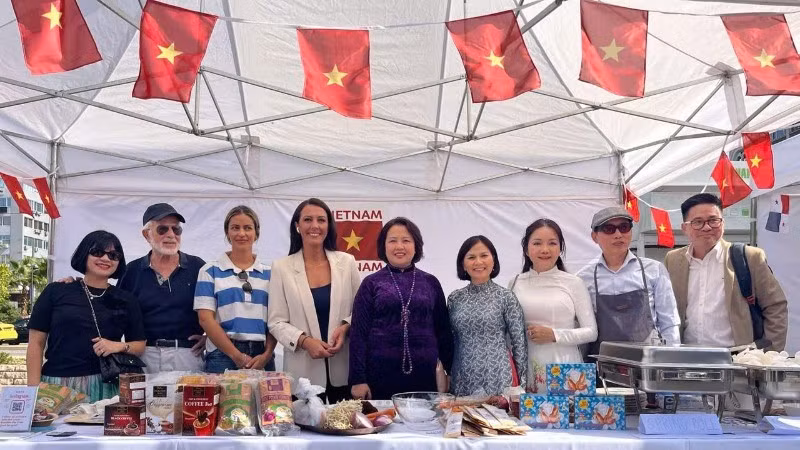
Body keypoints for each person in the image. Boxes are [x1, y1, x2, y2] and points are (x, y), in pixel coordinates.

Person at [27, 230, 146, 401]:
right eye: (98, 252)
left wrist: (118, 346)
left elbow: (139, 345)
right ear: (84, 254)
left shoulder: (126, 299)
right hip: (56, 384)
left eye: (113, 255)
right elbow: (36, 344)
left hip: (107, 385)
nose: (105, 259)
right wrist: (32, 390)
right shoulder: (56, 291)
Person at [664, 193, 788, 351]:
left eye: (713, 220)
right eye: (698, 222)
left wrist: (768, 354)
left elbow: (775, 306)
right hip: (687, 358)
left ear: (722, 223)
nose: (707, 227)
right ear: (685, 228)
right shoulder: (673, 260)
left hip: (737, 358)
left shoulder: (750, 257)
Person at [349, 217, 454, 400]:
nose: (399, 247)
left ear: (416, 246)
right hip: (379, 375)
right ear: (384, 245)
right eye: (393, 241)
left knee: (424, 424)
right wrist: (358, 379)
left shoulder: (430, 282)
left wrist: (451, 370)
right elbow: (358, 334)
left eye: (406, 241)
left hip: (425, 374)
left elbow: (443, 331)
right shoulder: (371, 283)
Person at [268, 198, 361, 403]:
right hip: (302, 375)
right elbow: (276, 322)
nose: (315, 226)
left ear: (329, 225)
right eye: (308, 219)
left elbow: (361, 312)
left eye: (321, 220)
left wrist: (345, 327)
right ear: (297, 226)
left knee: (347, 431)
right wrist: (305, 341)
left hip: (344, 371)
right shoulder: (281, 267)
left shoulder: (347, 262)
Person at [577, 206, 681, 353]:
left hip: (647, 364)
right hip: (603, 364)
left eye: (624, 227)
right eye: (609, 229)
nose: (618, 234)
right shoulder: (583, 279)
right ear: (594, 237)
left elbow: (669, 322)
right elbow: (583, 328)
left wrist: (670, 360)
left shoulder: (654, 269)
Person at [510, 219, 597, 393]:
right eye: (537, 243)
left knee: (566, 416)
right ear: (526, 249)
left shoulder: (574, 283)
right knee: (528, 418)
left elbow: (591, 332)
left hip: (565, 368)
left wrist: (554, 335)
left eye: (552, 243)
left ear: (560, 248)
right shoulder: (515, 283)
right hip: (527, 368)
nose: (545, 249)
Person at [118, 203, 206, 373]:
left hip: (188, 355)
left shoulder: (198, 267)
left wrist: (210, 338)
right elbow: (112, 310)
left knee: (186, 401)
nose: (171, 235)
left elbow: (220, 306)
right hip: (143, 356)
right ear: (146, 234)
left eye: (176, 229)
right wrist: (80, 284)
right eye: (162, 229)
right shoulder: (131, 271)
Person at [194, 205, 277, 373]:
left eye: (248, 228)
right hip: (222, 355)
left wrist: (267, 354)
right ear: (227, 232)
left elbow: (277, 320)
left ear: (256, 233)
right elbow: (205, 319)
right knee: (223, 401)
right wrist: (235, 355)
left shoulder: (271, 274)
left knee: (265, 401)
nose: (241, 233)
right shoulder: (209, 271)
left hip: (262, 355)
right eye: (235, 228)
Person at [448, 235, 527, 396]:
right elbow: (449, 340)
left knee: (501, 421)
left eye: (484, 256)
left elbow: (519, 342)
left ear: (493, 261)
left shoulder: (506, 297)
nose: (478, 262)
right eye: (471, 257)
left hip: (499, 377)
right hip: (463, 377)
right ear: (463, 264)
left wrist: (522, 384)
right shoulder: (454, 298)